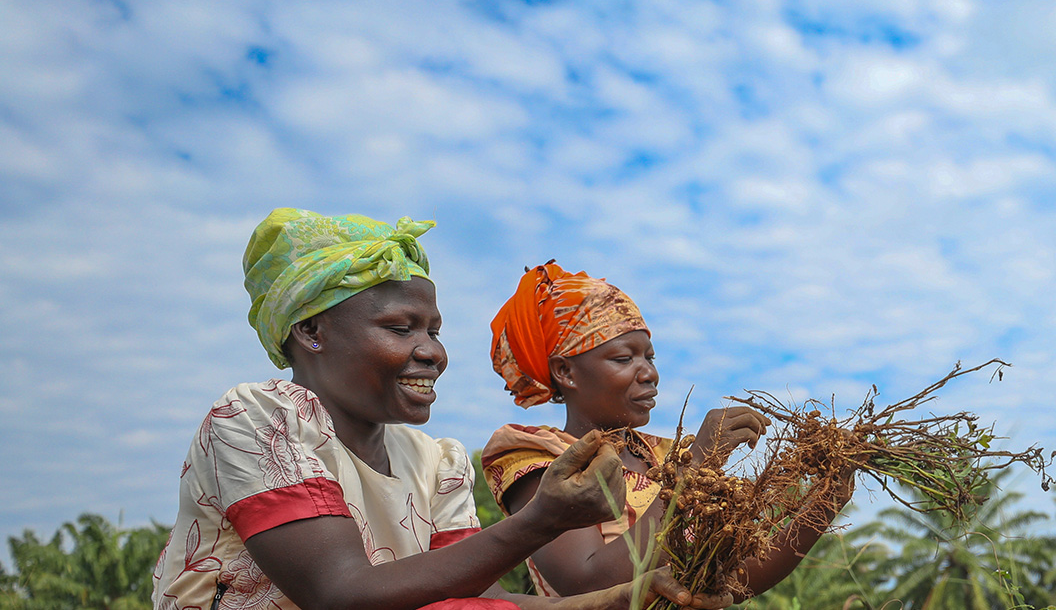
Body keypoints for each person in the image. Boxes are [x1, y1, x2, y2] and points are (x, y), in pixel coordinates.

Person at [152, 209, 730, 610]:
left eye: (433, 329)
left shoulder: (434, 461)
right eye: (400, 328)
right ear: (311, 331)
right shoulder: (259, 419)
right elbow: (341, 593)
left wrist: (621, 598)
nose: (432, 352)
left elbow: (480, 603)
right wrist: (541, 522)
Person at [480, 262, 854, 597]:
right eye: (624, 358)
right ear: (565, 371)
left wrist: (825, 501)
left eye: (650, 356)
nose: (649, 373)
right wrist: (696, 469)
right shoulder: (535, 455)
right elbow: (586, 581)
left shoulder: (668, 457)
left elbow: (730, 580)